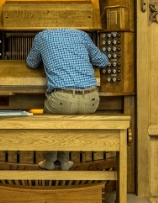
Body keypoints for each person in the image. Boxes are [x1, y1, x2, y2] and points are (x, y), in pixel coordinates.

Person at [26, 28, 109, 171]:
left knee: (50, 125)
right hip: (91, 99)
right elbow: (102, 61)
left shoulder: (42, 36)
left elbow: (31, 63)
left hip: (62, 98)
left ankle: (49, 161)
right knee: (67, 123)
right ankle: (64, 161)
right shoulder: (82, 35)